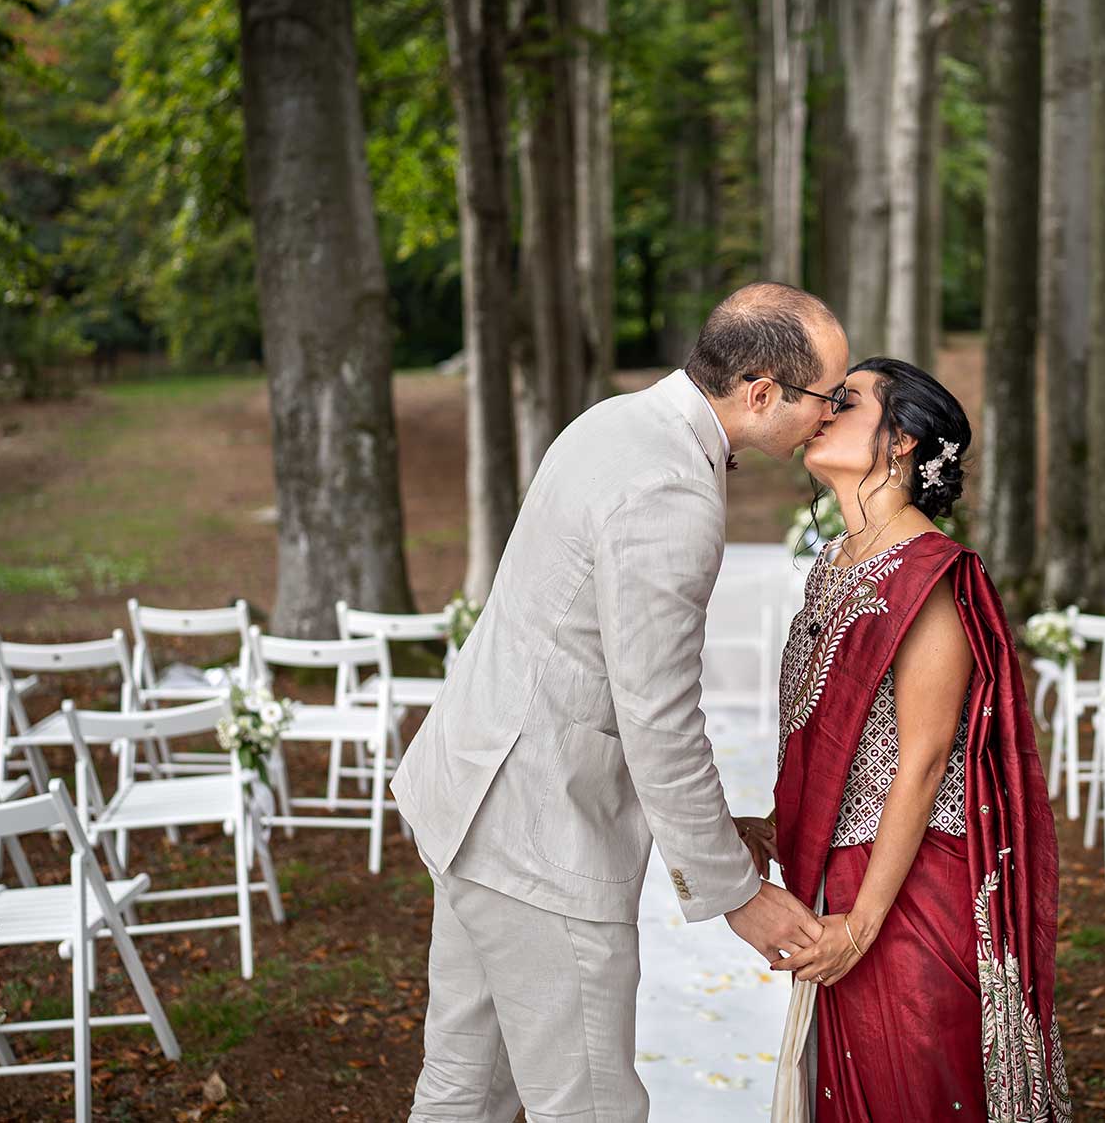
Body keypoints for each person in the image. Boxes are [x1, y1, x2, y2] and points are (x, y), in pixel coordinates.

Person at [393, 282, 851, 1122]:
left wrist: (721, 835)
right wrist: (737, 897)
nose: (833, 416)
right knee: (590, 1109)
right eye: (828, 398)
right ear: (760, 394)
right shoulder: (670, 493)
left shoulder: (616, 421)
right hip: (536, 837)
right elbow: (659, 717)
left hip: (467, 799)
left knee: (465, 1092)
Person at [753, 357, 1069, 1122]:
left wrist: (861, 927)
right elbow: (849, 745)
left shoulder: (929, 575)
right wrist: (771, 831)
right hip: (839, 873)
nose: (823, 409)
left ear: (901, 441)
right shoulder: (833, 563)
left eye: (847, 401)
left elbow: (922, 764)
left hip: (910, 892)